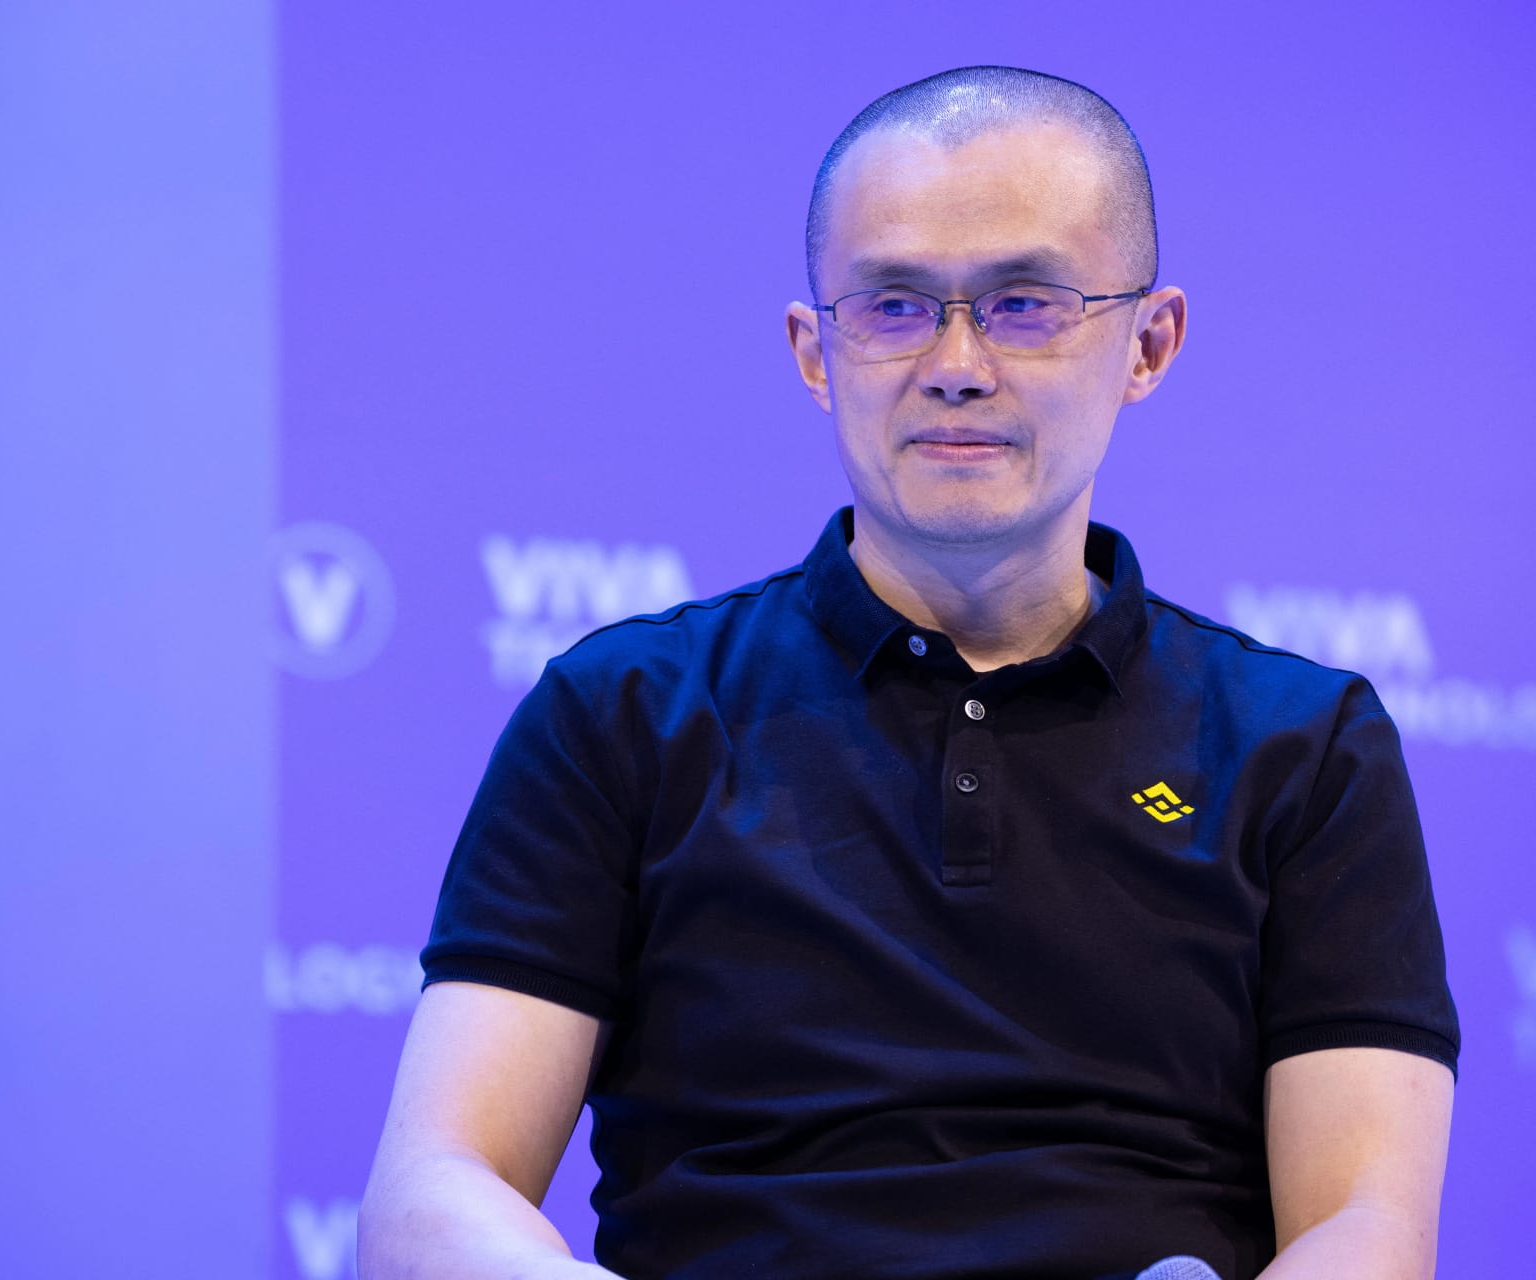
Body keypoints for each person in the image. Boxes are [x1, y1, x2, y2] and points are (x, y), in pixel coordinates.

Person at [359, 66, 1459, 1280]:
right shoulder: (621, 712)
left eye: (1025, 303)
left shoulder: (1303, 746)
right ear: (813, 349)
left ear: (1150, 343)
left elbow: (1365, 1230)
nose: (956, 363)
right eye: (893, 305)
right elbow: (429, 1193)